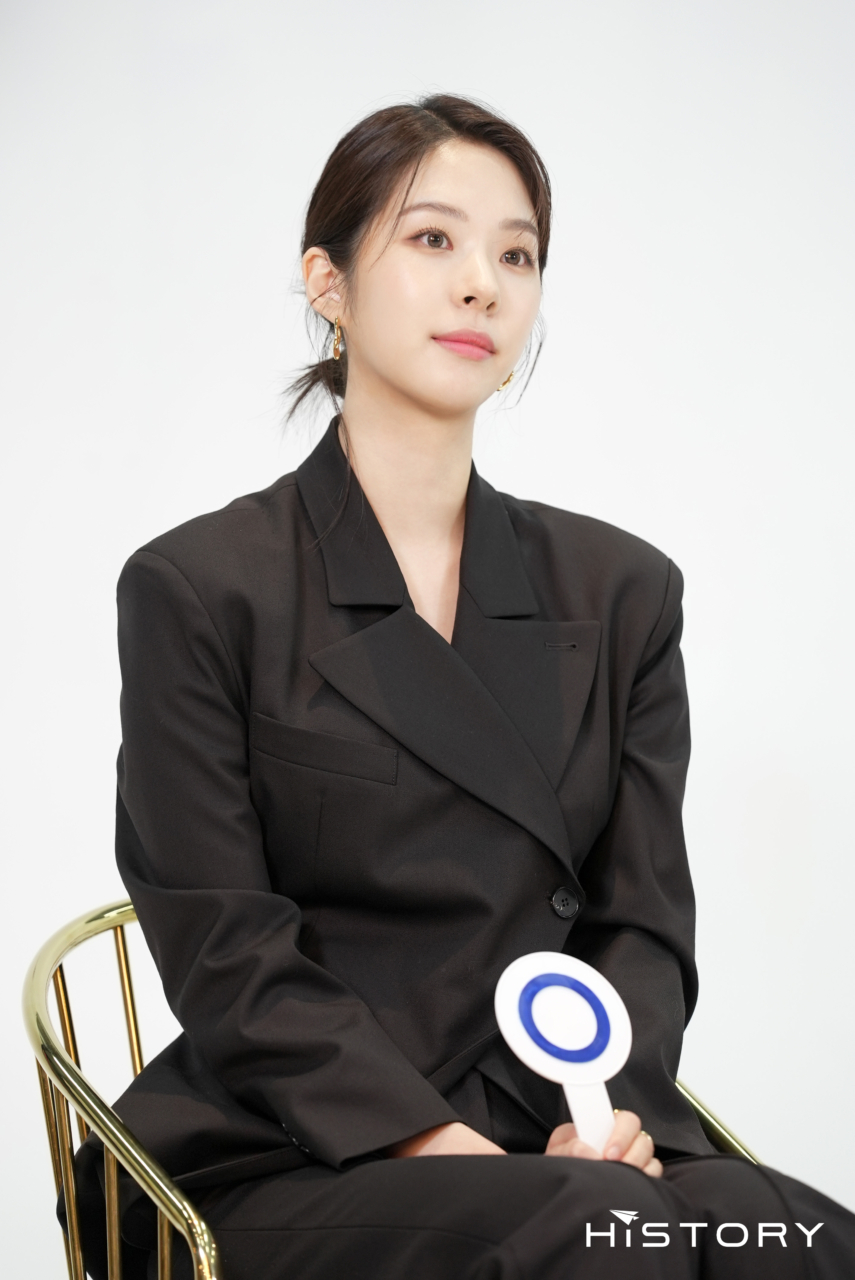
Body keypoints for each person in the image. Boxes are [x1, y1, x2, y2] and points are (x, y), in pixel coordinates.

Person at [73, 94, 855, 1279]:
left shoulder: (623, 591)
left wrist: (607, 1115)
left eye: (517, 254)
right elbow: (227, 947)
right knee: (599, 1236)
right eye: (433, 238)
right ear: (328, 282)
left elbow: (642, 921)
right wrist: (443, 1146)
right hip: (291, 1151)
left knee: (800, 1239)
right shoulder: (202, 587)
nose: (483, 284)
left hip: (556, 1130)